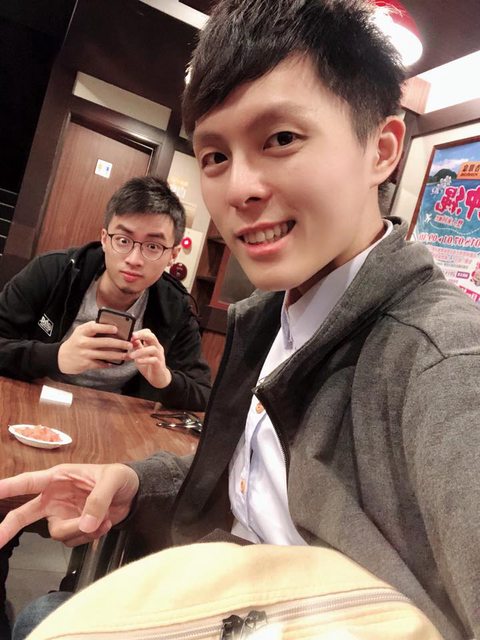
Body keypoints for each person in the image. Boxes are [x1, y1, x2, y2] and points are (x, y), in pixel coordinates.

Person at [0, 0, 479, 638]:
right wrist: (135, 479)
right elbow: (245, 484)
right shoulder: (270, 317)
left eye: (281, 138)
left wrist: (163, 379)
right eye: (215, 156)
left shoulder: (446, 362)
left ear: (382, 150)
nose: (238, 188)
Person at [0, 175, 211, 638]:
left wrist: (165, 379)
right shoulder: (55, 272)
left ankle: (78, 597)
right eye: (123, 239)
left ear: (172, 254)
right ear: (104, 237)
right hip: (30, 428)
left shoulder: (175, 308)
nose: (134, 258)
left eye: (153, 246)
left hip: (111, 442)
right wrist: (54, 356)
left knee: (130, 526)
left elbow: (203, 393)